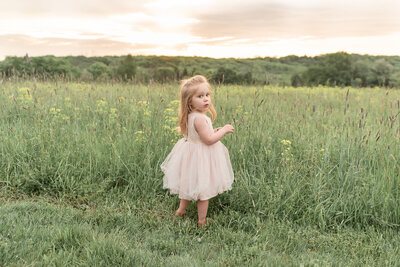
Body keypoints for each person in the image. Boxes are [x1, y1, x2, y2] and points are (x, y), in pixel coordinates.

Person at [160, 75, 235, 227]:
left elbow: (201, 135)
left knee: (188, 184)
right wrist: (224, 131)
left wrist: (214, 130)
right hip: (202, 156)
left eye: (207, 95)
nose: (206, 99)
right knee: (203, 190)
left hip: (191, 155)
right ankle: (201, 221)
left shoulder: (191, 116)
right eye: (200, 96)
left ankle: (181, 211)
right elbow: (208, 140)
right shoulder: (200, 118)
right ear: (189, 101)